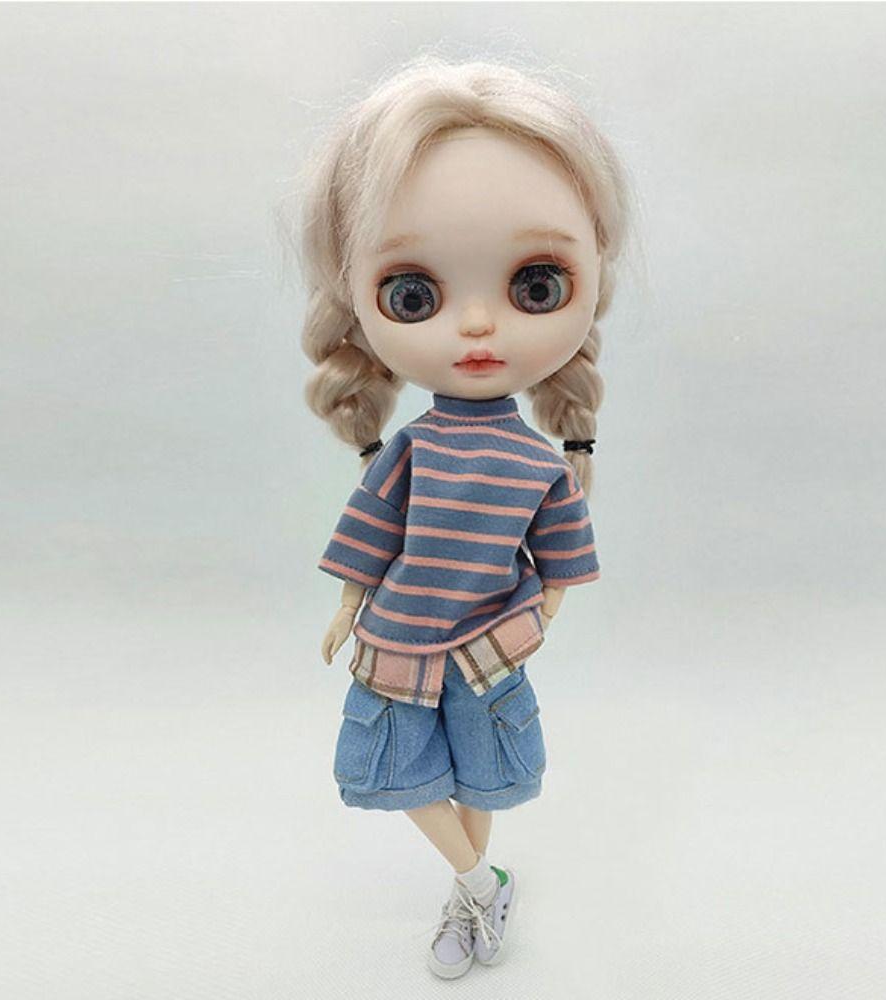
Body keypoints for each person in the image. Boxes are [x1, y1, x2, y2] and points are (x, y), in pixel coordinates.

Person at [279, 54, 634, 978]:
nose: (476, 326)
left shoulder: (538, 465)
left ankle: (467, 896)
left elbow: (560, 566)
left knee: (482, 777)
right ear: (354, 303)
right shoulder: (410, 450)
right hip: (399, 637)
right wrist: (347, 605)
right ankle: (482, 882)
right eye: (415, 294)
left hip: (487, 649)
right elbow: (373, 531)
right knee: (395, 775)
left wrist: (534, 623)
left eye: (534, 285)